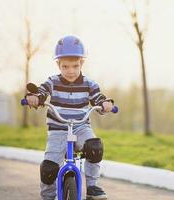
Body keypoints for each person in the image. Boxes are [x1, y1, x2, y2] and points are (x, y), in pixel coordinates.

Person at [26, 35, 114, 200]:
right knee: (49, 168)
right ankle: (48, 197)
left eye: (75, 66)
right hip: (57, 130)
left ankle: (93, 187)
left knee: (95, 147)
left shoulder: (89, 84)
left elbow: (98, 99)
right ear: (58, 64)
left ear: (82, 63)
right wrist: (36, 98)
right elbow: (42, 92)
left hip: (81, 127)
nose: (71, 71)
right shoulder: (52, 82)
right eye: (65, 66)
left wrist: (105, 104)